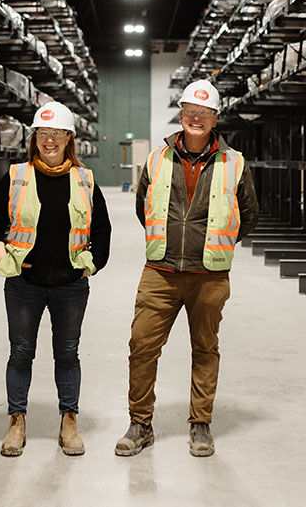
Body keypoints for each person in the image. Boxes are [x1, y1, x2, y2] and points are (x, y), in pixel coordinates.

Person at [115, 79, 258, 458]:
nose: (196, 118)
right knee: (142, 346)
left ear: (215, 119)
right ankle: (140, 423)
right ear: (181, 115)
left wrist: (215, 242)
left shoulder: (235, 162)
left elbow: (249, 214)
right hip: (160, 272)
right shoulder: (157, 158)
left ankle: (200, 424)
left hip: (209, 274)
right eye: (190, 112)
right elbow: (143, 206)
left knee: (205, 348)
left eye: (204, 113)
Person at [0, 101, 111, 458]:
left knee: (67, 353)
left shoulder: (84, 179)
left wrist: (92, 265)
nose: (50, 140)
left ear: (69, 138)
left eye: (57, 133)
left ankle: (69, 421)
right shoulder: (15, 176)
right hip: (24, 285)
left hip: (70, 285)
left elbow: (101, 229)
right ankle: (16, 422)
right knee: (21, 352)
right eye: (43, 133)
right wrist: (3, 255)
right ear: (35, 137)